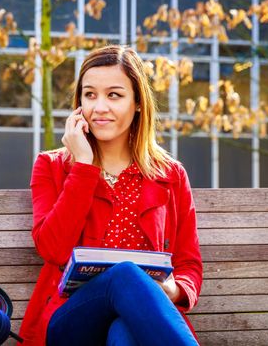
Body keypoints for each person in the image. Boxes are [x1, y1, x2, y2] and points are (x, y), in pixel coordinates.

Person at [18, 45, 203, 346]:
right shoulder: (51, 166)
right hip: (71, 320)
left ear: (138, 103)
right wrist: (83, 167)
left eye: (114, 95)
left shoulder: (170, 175)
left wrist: (174, 289)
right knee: (125, 275)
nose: (99, 107)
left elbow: (189, 264)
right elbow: (52, 249)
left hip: (140, 319)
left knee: (123, 333)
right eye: (90, 95)